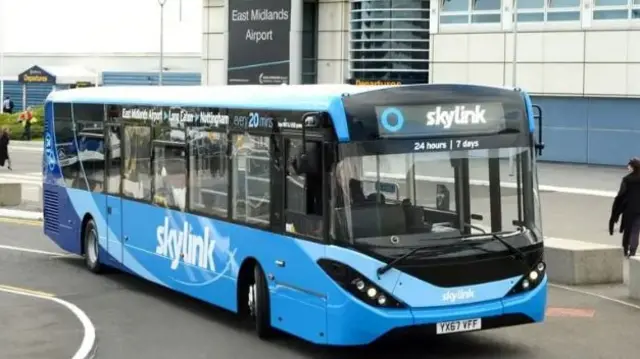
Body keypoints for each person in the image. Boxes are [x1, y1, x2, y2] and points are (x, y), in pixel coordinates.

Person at [609, 157, 640, 257]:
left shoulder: (626, 180)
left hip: (629, 208)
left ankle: (626, 248)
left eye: (629, 166)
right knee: (635, 230)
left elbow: (621, 195)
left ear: (633, 167)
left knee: (628, 229)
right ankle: (633, 250)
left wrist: (615, 212)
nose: (627, 167)